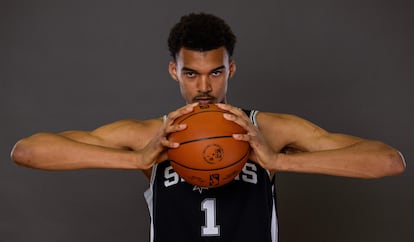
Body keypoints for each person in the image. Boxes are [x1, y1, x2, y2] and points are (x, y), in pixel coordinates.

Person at [11, 12, 406, 242]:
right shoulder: (150, 134)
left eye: (215, 72)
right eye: (192, 73)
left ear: (230, 69)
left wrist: (278, 162)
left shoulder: (269, 129)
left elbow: (388, 161)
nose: (204, 87)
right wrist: (138, 159)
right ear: (174, 71)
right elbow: (28, 152)